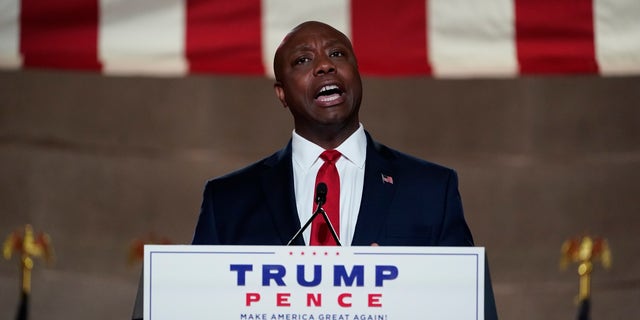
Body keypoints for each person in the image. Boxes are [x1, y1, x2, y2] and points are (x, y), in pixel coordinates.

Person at [132, 20, 498, 319]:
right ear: (282, 94)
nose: (324, 65)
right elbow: (199, 307)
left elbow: (464, 302)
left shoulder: (431, 189)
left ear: (357, 74)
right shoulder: (228, 199)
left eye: (337, 54)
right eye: (302, 61)